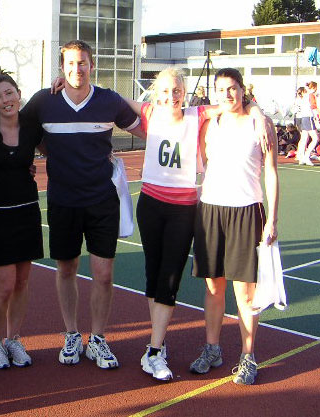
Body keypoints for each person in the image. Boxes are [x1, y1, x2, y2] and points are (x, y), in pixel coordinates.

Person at [123, 68, 270, 381]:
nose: (171, 97)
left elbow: (234, 102)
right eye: (165, 91)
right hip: (151, 204)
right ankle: (159, 341)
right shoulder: (151, 112)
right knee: (154, 274)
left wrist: (258, 110)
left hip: (186, 208)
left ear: (185, 91)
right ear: (155, 94)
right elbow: (115, 99)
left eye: (177, 90)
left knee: (171, 276)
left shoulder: (198, 114)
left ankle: (156, 348)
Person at [22, 40, 143, 370]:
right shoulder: (44, 101)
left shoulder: (108, 100)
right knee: (66, 269)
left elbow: (146, 127)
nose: (78, 68)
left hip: (102, 201)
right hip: (63, 201)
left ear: (92, 65)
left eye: (83, 62)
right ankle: (72, 333)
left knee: (103, 274)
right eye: (71, 63)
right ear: (62, 67)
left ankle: (98, 338)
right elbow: (17, 130)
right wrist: (32, 159)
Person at [190, 68, 279, 386]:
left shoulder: (261, 125)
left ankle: (248, 356)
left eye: (232, 88)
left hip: (246, 211)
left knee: (245, 291)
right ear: (214, 93)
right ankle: (212, 349)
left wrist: (272, 219)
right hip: (211, 211)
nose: (227, 94)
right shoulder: (209, 124)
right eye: (221, 89)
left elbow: (271, 173)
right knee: (214, 287)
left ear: (242, 90)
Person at [0, 73, 44, 369]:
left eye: (9, 93)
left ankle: (14, 338)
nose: (5, 100)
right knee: (4, 285)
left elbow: (57, 150)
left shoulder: (32, 127)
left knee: (22, 282)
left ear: (18, 93)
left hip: (26, 210)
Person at [295, 82, 319, 165]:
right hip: (308, 117)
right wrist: (317, 116)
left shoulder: (304, 96)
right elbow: (313, 107)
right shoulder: (310, 95)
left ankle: (301, 157)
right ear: (313, 88)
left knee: (304, 138)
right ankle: (306, 156)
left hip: (303, 117)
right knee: (315, 138)